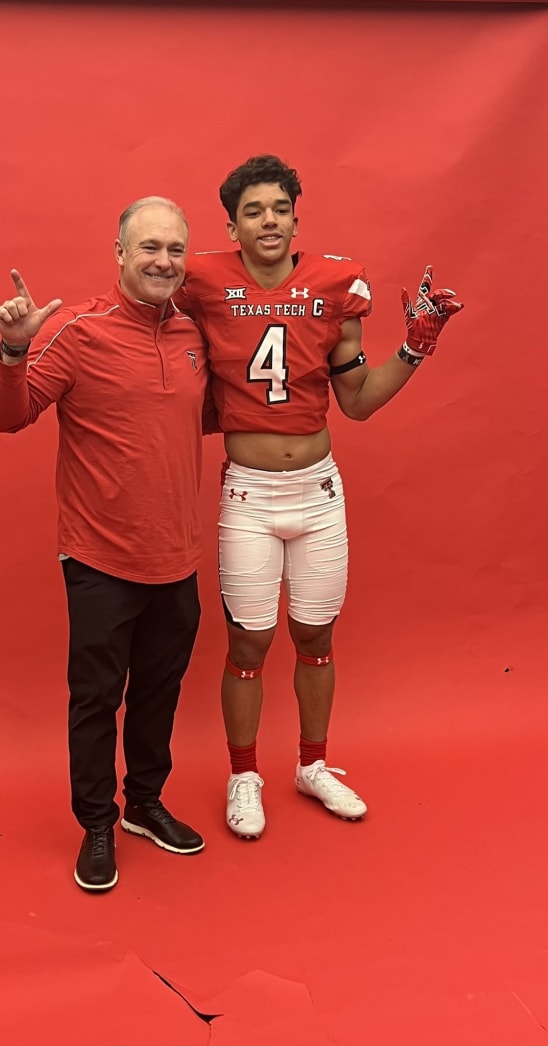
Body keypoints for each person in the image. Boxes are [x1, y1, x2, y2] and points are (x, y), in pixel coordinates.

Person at [177, 155, 463, 840]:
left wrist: (416, 350)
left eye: (279, 207)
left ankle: (313, 765)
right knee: (248, 642)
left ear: (296, 217)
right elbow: (148, 313)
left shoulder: (335, 283)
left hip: (318, 491)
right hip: (247, 492)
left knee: (315, 634)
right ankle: (245, 775)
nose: (268, 219)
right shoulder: (203, 281)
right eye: (253, 211)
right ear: (232, 226)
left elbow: (356, 403)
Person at [0, 197, 215, 891]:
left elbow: (185, 424)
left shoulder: (193, 336)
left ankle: (145, 804)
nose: (163, 261)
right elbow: (8, 416)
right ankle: (97, 824)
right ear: (119, 253)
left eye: (176, 249)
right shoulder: (78, 331)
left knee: (159, 693)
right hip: (98, 558)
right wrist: (14, 348)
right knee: (96, 700)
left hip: (177, 555)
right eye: (149, 247)